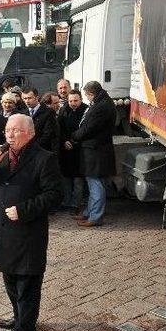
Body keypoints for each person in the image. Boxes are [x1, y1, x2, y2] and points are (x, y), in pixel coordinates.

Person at [0, 114, 62, 331]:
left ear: (30, 133)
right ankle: (19, 317)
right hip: (4, 230)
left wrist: (25, 210)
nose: (10, 134)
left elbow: (55, 195)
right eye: (7, 130)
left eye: (16, 130)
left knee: (27, 283)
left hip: (28, 232)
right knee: (10, 277)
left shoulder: (44, 159)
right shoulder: (3, 155)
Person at [72, 81, 116, 227]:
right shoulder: (104, 102)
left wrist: (74, 136)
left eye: (86, 95)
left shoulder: (101, 107)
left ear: (91, 93)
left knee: (95, 185)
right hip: (97, 150)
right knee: (96, 184)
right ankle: (90, 212)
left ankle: (95, 217)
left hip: (96, 151)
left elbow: (89, 128)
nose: (86, 98)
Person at [58, 89, 87, 214]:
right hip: (66, 151)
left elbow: (86, 130)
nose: (73, 103)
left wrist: (75, 143)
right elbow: (60, 128)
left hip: (80, 151)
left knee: (78, 180)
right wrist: (64, 141)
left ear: (80, 99)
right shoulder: (64, 110)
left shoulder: (86, 111)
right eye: (70, 101)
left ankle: (76, 204)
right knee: (66, 179)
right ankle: (66, 202)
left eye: (75, 100)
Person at [22, 88, 59, 154]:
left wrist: (33, 146)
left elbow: (48, 134)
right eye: (25, 99)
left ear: (37, 97)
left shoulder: (48, 112)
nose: (27, 101)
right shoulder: (23, 113)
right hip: (27, 151)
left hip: (44, 150)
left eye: (29, 98)